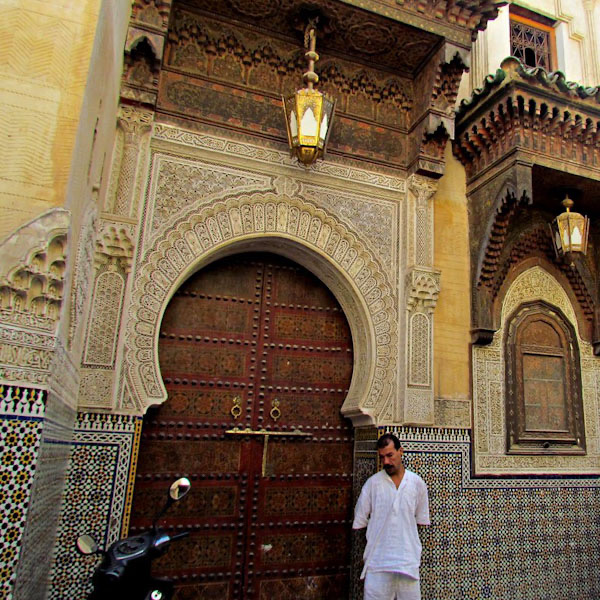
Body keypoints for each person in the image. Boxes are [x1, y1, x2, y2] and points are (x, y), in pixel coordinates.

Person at [353, 433, 430, 600]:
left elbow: (421, 522)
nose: (386, 462)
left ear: (400, 451)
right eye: (382, 457)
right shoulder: (372, 484)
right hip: (378, 565)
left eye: (390, 455)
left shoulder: (417, 484)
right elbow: (359, 523)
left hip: (407, 565)